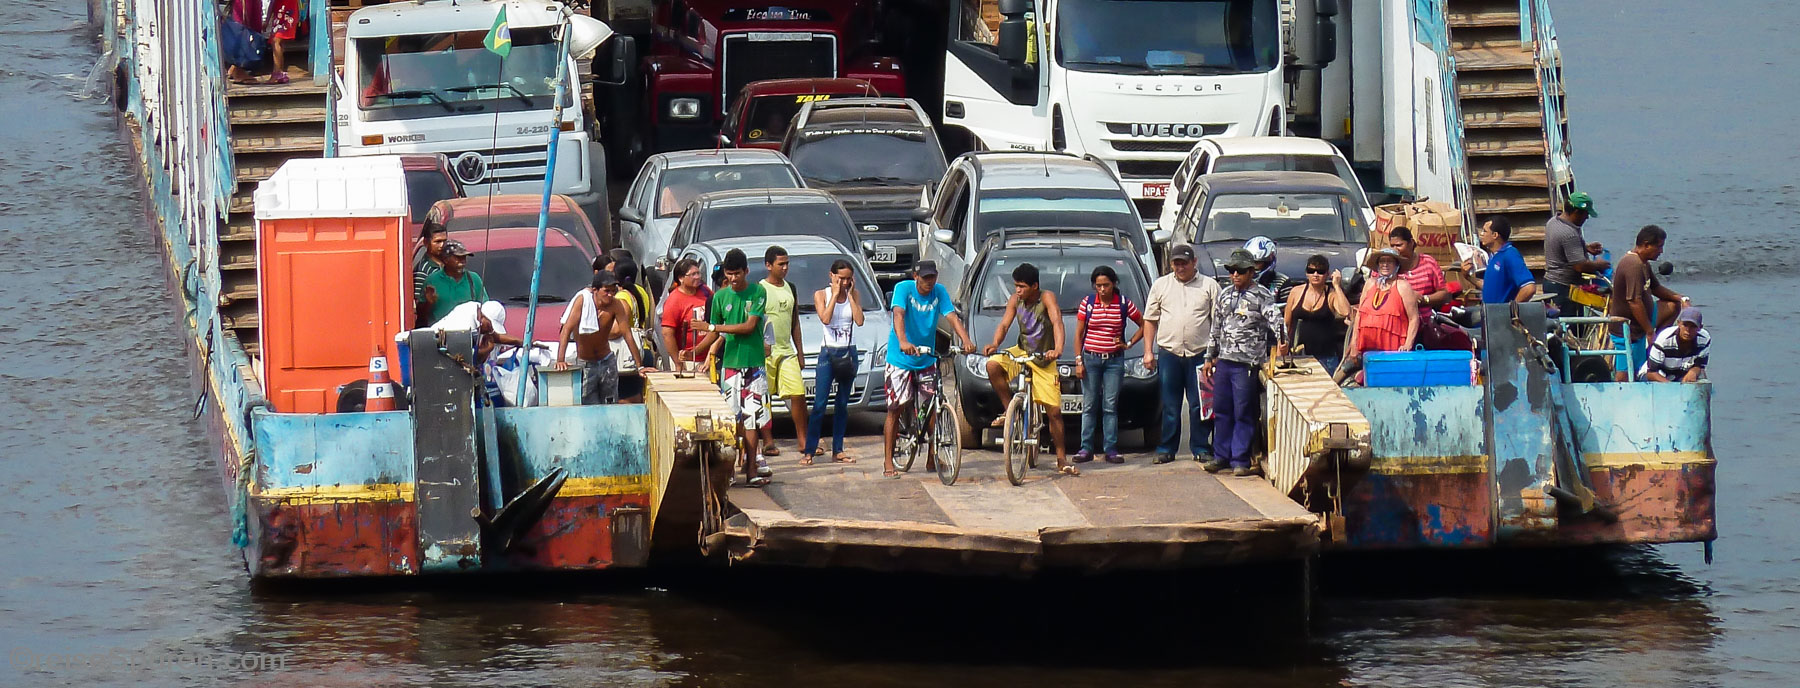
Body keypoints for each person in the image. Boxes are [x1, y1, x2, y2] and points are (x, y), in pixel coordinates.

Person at [983, 263, 1077, 476]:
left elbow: (1057, 322)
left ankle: (1061, 459)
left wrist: (1058, 349)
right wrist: (995, 343)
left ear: (1035, 286)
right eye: (1016, 286)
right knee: (992, 365)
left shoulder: (1046, 298)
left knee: (1054, 412)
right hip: (1023, 351)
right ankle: (1010, 411)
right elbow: (1004, 325)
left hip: (1044, 358)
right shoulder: (1015, 300)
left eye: (1022, 286)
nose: (1018, 290)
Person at [883, 261, 975, 478]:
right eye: (925, 278)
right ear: (916, 276)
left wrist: (966, 340)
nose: (929, 282)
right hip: (901, 359)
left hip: (927, 358)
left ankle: (933, 457)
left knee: (933, 406)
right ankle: (888, 461)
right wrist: (903, 341)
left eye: (932, 277)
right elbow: (898, 315)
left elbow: (952, 317)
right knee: (895, 409)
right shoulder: (903, 289)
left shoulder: (939, 291)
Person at [693, 249, 773, 486]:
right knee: (730, 420)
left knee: (752, 419)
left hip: (754, 365)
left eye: (737, 274)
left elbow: (748, 327)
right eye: (729, 274)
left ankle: (751, 470)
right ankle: (729, 471)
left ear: (746, 271)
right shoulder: (720, 297)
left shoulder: (758, 292)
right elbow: (714, 334)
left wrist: (712, 328)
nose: (733, 278)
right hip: (730, 366)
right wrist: (694, 351)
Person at [1203, 249, 1285, 477]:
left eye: (1239, 271)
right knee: (1222, 410)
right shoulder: (1225, 295)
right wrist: (1209, 357)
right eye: (1232, 271)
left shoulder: (1261, 295)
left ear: (1250, 272)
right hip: (1225, 360)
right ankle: (1221, 456)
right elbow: (1216, 327)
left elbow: (1276, 320)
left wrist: (1283, 342)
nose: (1235, 275)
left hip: (1247, 363)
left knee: (1243, 412)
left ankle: (1240, 459)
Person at [1142, 243, 1221, 465]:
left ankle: (1201, 447)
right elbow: (1150, 320)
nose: (1180, 268)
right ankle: (1167, 448)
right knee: (1170, 405)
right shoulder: (1161, 285)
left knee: (1199, 405)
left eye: (1184, 263)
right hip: (1170, 353)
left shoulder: (1209, 286)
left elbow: (1218, 323)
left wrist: (1215, 354)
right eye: (1176, 264)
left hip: (1200, 354)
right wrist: (1148, 352)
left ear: (1194, 262)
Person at [1072, 265, 1144, 464]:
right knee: (1089, 405)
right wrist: (1079, 360)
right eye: (1099, 286)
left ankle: (1110, 449)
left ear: (1114, 284)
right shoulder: (1088, 303)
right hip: (1091, 358)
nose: (1102, 289)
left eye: (1106, 285)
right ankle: (1086, 448)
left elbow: (1144, 324)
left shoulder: (1123, 303)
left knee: (1110, 406)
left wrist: (1129, 343)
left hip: (1114, 360)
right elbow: (1078, 334)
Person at [1607, 224, 1688, 380]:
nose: (1661, 251)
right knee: (1625, 373)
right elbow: (1634, 301)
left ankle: (1657, 345)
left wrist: (1681, 299)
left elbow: (1656, 288)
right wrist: (1649, 331)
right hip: (1628, 328)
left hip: (1644, 321)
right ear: (1646, 245)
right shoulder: (1633, 265)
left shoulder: (1643, 263)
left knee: (1672, 306)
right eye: (1659, 247)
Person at [803, 259, 864, 465]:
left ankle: (838, 449)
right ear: (832, 276)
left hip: (848, 351)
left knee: (842, 403)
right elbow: (826, 318)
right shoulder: (821, 294)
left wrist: (850, 297)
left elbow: (859, 320)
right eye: (841, 279)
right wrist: (835, 295)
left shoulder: (853, 294)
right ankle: (809, 450)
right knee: (819, 404)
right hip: (828, 352)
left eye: (848, 279)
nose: (845, 283)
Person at [552, 270, 645, 405]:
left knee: (610, 402)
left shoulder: (616, 305)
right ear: (595, 290)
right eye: (606, 291)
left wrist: (639, 366)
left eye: (613, 291)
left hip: (606, 361)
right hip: (586, 363)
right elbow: (566, 330)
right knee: (588, 404)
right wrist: (560, 360)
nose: (610, 295)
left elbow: (627, 334)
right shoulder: (583, 301)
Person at [758, 246, 808, 459]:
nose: (785, 268)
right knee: (764, 397)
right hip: (766, 352)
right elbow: (754, 320)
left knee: (797, 393)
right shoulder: (760, 289)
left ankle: (803, 440)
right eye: (781, 264)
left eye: (787, 263)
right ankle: (768, 441)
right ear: (769, 265)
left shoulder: (791, 288)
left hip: (786, 350)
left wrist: (800, 352)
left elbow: (794, 322)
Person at [1391, 227, 1469, 351]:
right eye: (1392, 246)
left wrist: (1424, 299)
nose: (1395, 250)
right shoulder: (1388, 265)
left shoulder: (1428, 263)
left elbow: (1444, 294)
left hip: (1424, 327)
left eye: (1399, 245)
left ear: (1411, 243)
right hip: (1395, 327)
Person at [1347, 248, 1421, 363]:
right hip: (1366, 347)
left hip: (1393, 349)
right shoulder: (1370, 283)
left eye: (1389, 261)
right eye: (1382, 261)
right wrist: (1354, 343)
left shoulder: (1403, 286)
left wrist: (1408, 344)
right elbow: (1359, 315)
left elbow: (1414, 318)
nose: (1385, 265)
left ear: (1397, 265)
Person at [1543, 191, 1610, 313]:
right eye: (1586, 214)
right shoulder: (1569, 233)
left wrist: (1585, 247)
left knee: (1554, 320)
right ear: (1577, 212)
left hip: (1550, 283)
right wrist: (1599, 265)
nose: (1587, 218)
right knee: (1570, 323)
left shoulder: (1553, 222)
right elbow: (1580, 266)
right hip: (1564, 289)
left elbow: (1562, 245)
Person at [1283, 254, 1350, 373]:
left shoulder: (1331, 295)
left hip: (1325, 357)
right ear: (1306, 273)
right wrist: (1282, 348)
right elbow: (1287, 324)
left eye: (1320, 271)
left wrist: (1337, 286)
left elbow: (1345, 311)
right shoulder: (1296, 292)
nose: (1315, 274)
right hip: (1298, 356)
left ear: (1327, 274)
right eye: (1311, 271)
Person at [1466, 215, 1538, 304]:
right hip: (1490, 311)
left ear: (1495, 235)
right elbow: (1490, 287)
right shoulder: (1494, 256)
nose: (1481, 234)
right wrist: (1468, 277)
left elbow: (1529, 288)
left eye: (1485, 231)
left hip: (1501, 313)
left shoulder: (1510, 255)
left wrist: (1510, 309)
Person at [659, 257, 712, 373]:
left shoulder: (705, 291)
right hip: (688, 362)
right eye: (693, 274)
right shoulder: (674, 301)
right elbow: (667, 334)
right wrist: (678, 363)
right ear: (681, 278)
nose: (697, 277)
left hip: (709, 359)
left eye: (698, 273)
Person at [420, 240, 487, 323]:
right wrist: (428, 303)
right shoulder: (432, 281)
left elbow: (485, 308)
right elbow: (421, 316)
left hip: (468, 329)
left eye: (464, 257)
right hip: (439, 330)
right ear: (446, 259)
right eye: (458, 257)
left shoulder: (474, 279)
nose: (463, 261)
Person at [1641, 307, 1709, 383]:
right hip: (1657, 375)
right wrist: (1672, 387)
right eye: (1685, 325)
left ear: (1700, 327)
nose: (1688, 330)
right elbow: (1651, 372)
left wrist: (1694, 372)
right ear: (1678, 323)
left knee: (1703, 381)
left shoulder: (1704, 339)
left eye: (1693, 326)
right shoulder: (1664, 339)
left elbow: (1700, 364)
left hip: (1681, 374)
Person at [413, 224, 449, 327]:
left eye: (444, 241)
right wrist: (429, 302)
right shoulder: (422, 271)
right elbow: (418, 308)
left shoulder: (450, 264)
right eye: (437, 242)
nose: (442, 245)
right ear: (426, 243)